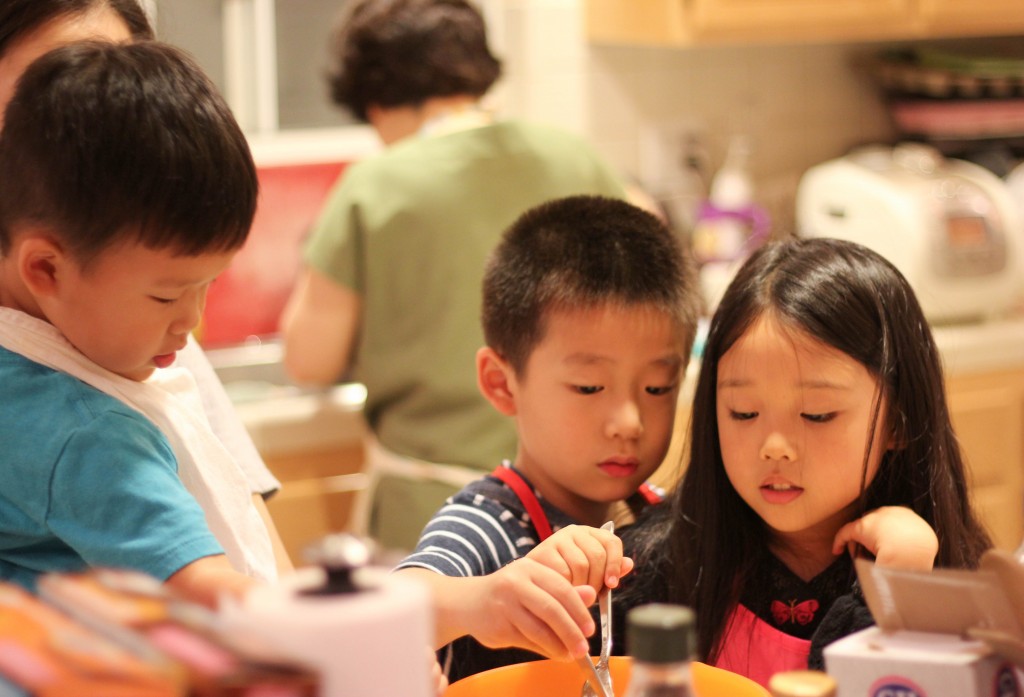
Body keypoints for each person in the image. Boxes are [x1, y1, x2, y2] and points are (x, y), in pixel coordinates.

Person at [279, 0, 628, 551]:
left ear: (375, 100)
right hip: (573, 512)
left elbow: (308, 359)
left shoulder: (374, 185)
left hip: (437, 519)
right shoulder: (573, 155)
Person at [614, 237, 993, 687]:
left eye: (817, 415)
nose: (775, 447)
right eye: (744, 413)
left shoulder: (955, 584)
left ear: (899, 421)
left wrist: (897, 589)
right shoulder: (653, 568)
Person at [0, 40, 291, 607]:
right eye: (165, 297)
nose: (192, 322)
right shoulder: (83, 431)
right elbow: (217, 598)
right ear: (45, 268)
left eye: (208, 285)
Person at [393, 195, 702, 681]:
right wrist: (483, 598)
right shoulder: (487, 526)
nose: (629, 421)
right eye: (588, 387)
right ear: (501, 382)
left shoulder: (666, 520)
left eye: (657, 388)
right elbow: (392, 611)